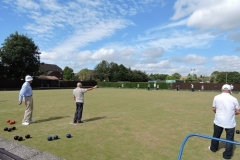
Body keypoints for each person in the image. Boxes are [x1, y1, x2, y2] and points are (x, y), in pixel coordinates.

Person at [209, 84, 240, 159]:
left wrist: (218, 113)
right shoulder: (234, 99)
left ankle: (213, 148)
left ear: (221, 89)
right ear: (230, 90)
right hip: (230, 122)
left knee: (216, 135)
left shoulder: (216, 97)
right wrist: (233, 113)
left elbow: (213, 108)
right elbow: (238, 111)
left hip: (218, 121)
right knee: (229, 139)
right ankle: (227, 155)